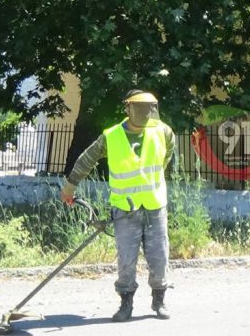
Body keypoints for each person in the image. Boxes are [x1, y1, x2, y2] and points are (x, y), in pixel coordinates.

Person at [60, 89, 176, 322]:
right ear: (128, 108)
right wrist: (70, 186)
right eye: (141, 108)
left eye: (150, 108)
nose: (147, 113)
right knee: (126, 259)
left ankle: (159, 300)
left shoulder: (164, 132)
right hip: (125, 209)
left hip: (155, 205)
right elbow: (87, 159)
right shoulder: (111, 136)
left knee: (159, 256)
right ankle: (126, 304)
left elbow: (166, 158)